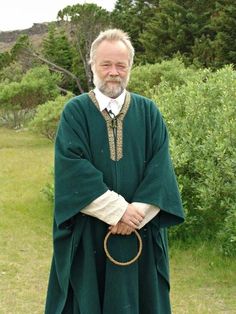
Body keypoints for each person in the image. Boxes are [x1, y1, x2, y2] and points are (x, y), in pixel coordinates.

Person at [45, 29, 185, 314]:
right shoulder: (76, 112)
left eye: (121, 65)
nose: (113, 72)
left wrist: (134, 216)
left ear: (130, 68)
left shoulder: (149, 112)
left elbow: (160, 170)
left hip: (141, 236)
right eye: (106, 64)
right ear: (92, 65)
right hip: (90, 235)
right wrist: (118, 210)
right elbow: (72, 169)